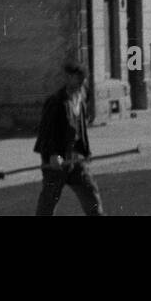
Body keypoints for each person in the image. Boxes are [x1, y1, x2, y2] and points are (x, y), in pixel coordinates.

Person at [34, 62, 104, 216]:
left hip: (75, 159)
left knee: (91, 194)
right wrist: (52, 155)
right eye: (78, 78)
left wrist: (86, 152)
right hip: (56, 162)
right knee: (48, 202)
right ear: (69, 78)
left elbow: (81, 130)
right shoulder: (56, 102)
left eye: (82, 79)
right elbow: (46, 132)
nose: (81, 82)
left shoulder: (80, 98)